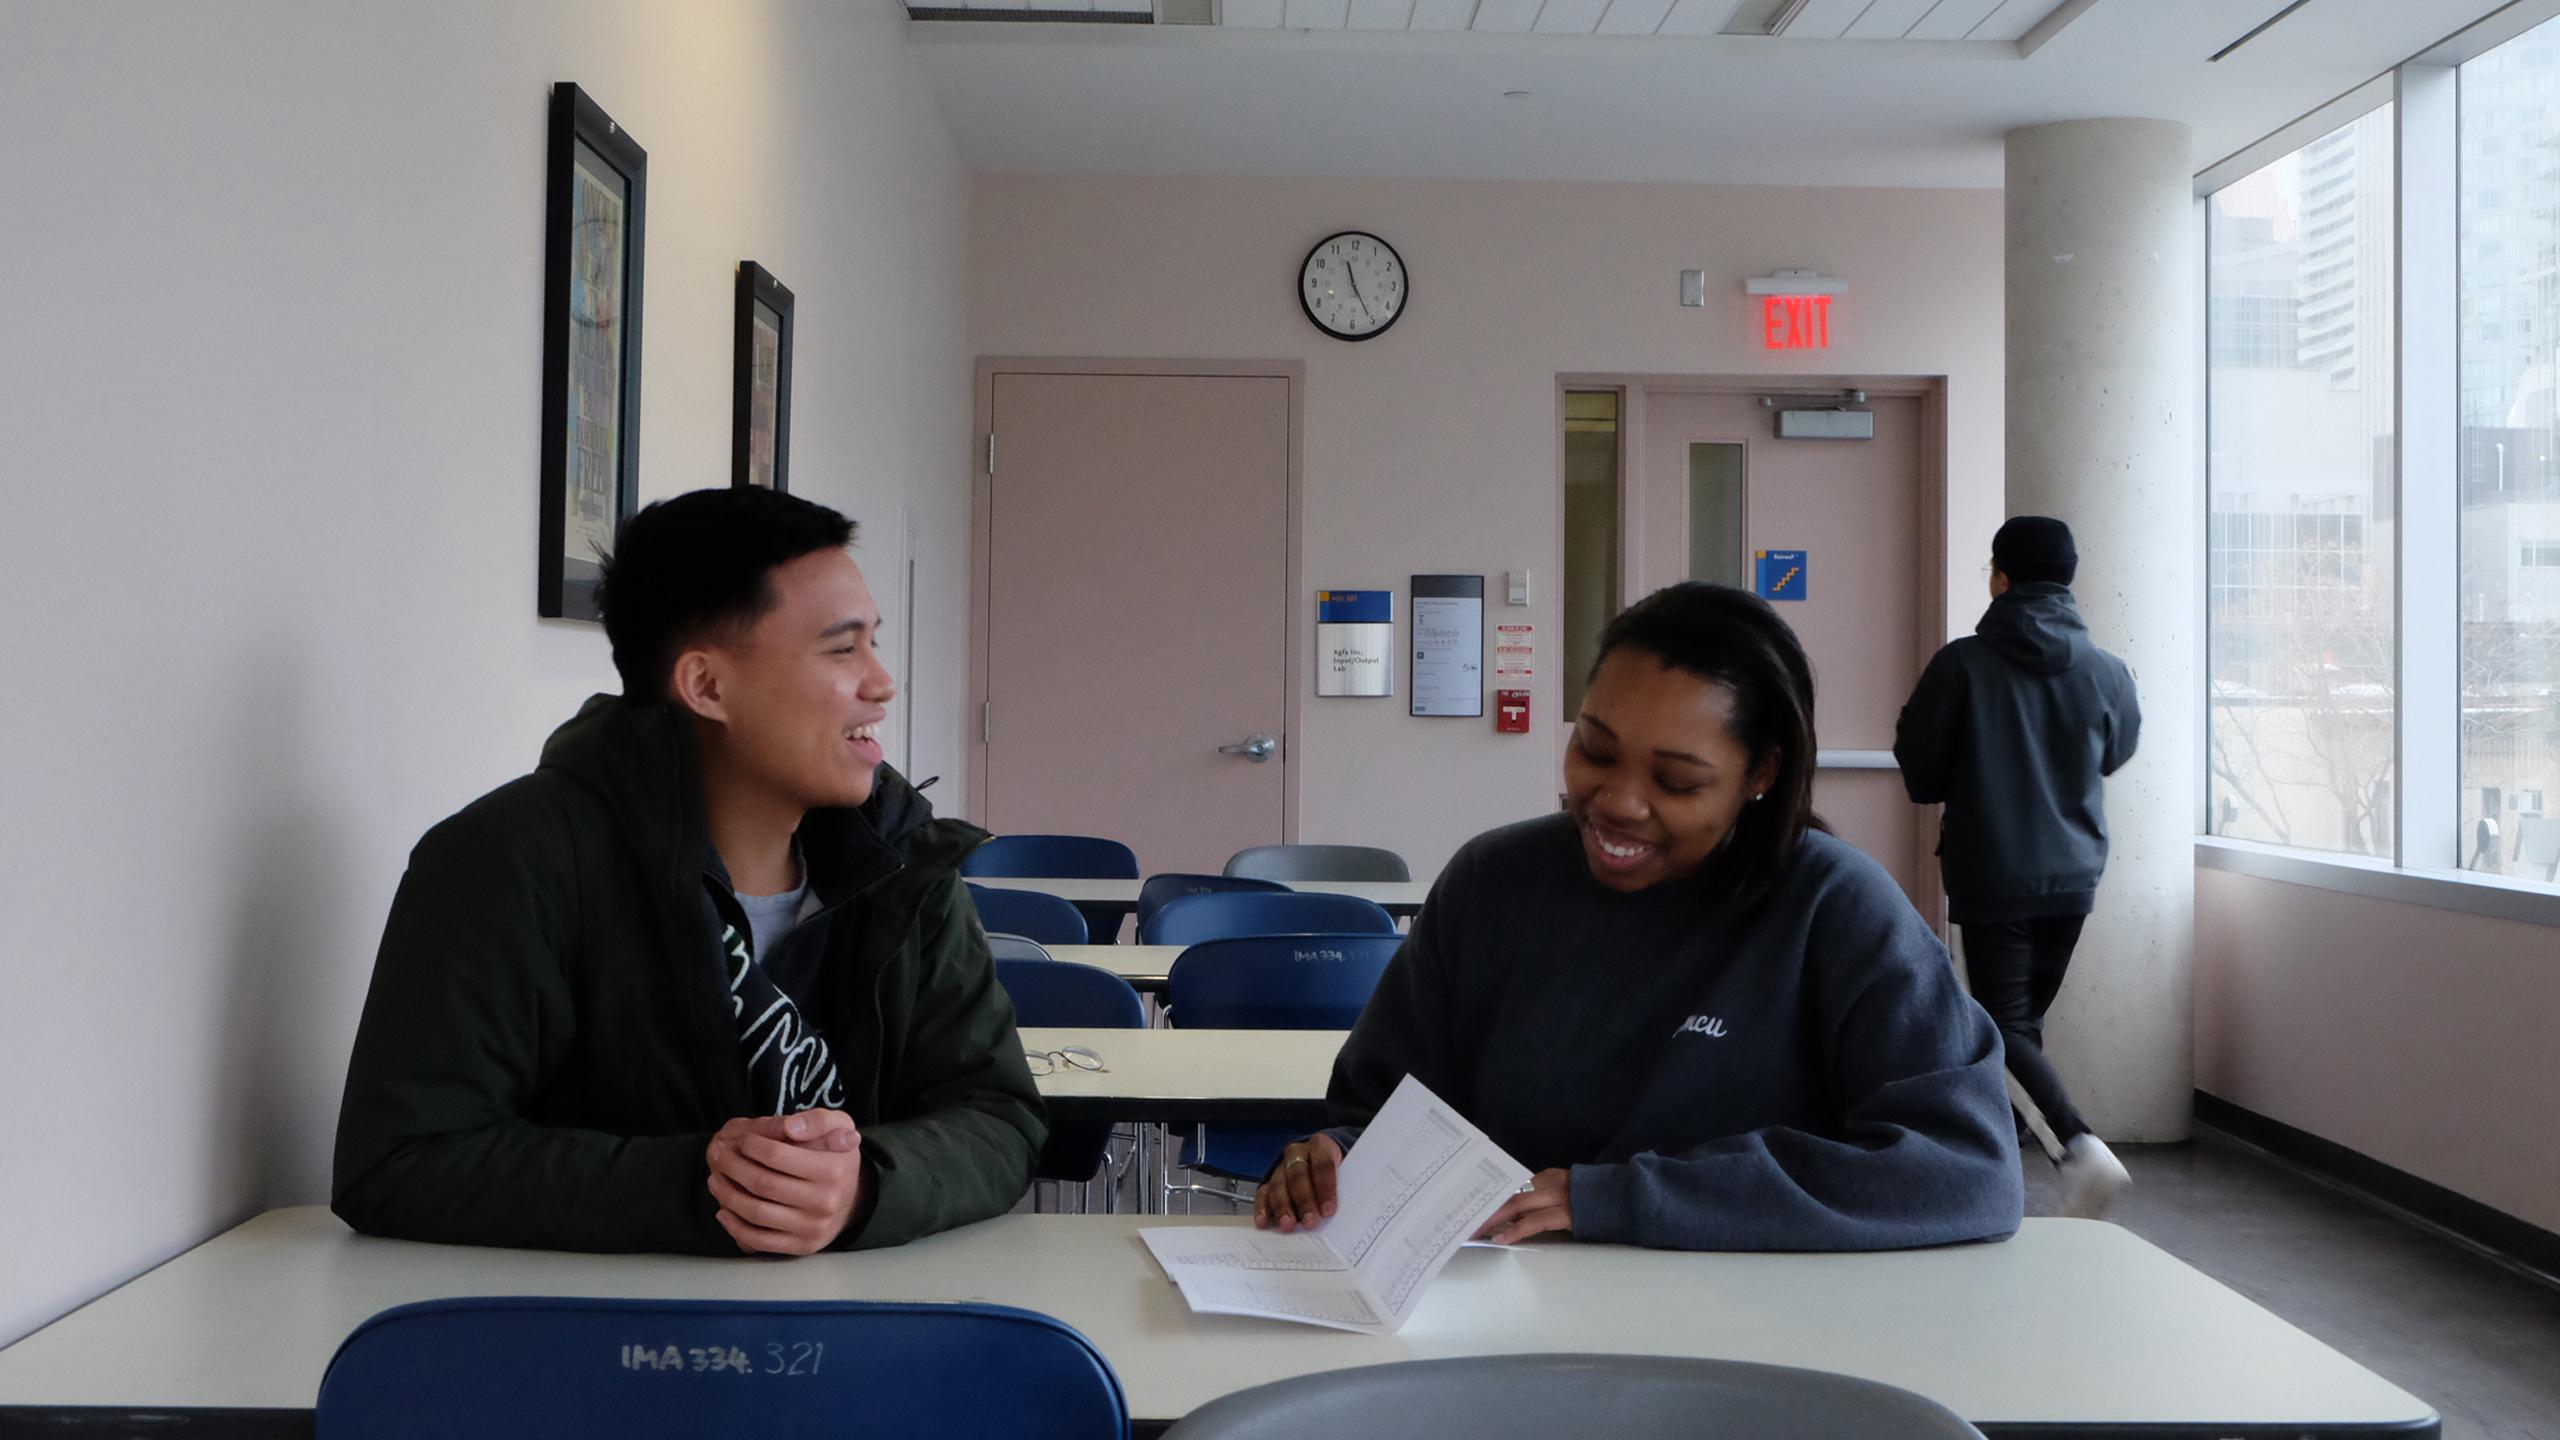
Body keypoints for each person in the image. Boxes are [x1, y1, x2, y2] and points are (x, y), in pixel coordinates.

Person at [333, 487, 1043, 1255]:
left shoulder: (903, 864)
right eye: (843, 649)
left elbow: (997, 1116)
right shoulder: (504, 862)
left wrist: (869, 1186)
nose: (881, 682)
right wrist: (713, 1185)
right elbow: (401, 1162)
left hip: (859, 1332)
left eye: (874, 643)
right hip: (590, 1345)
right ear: (706, 686)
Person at [1255, 583, 2023, 1251]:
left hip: (1757, 1353)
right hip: (1508, 1329)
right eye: (1594, 750)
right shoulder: (1493, 884)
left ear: (1760, 773)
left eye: (1677, 780)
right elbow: (1383, 1114)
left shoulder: (1835, 908)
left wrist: (1617, 1199)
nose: (1619, 803)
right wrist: (1332, 1157)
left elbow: (1966, 1169)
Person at [1894, 515, 2141, 1220]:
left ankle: (2078, 1146)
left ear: (2000, 578)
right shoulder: (2108, 671)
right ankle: (2010, 1157)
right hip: (2074, 877)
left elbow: (1922, 775)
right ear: (2067, 580)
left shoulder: (1963, 664)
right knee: (2022, 1025)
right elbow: (2115, 753)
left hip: (1993, 869)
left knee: (2002, 1027)